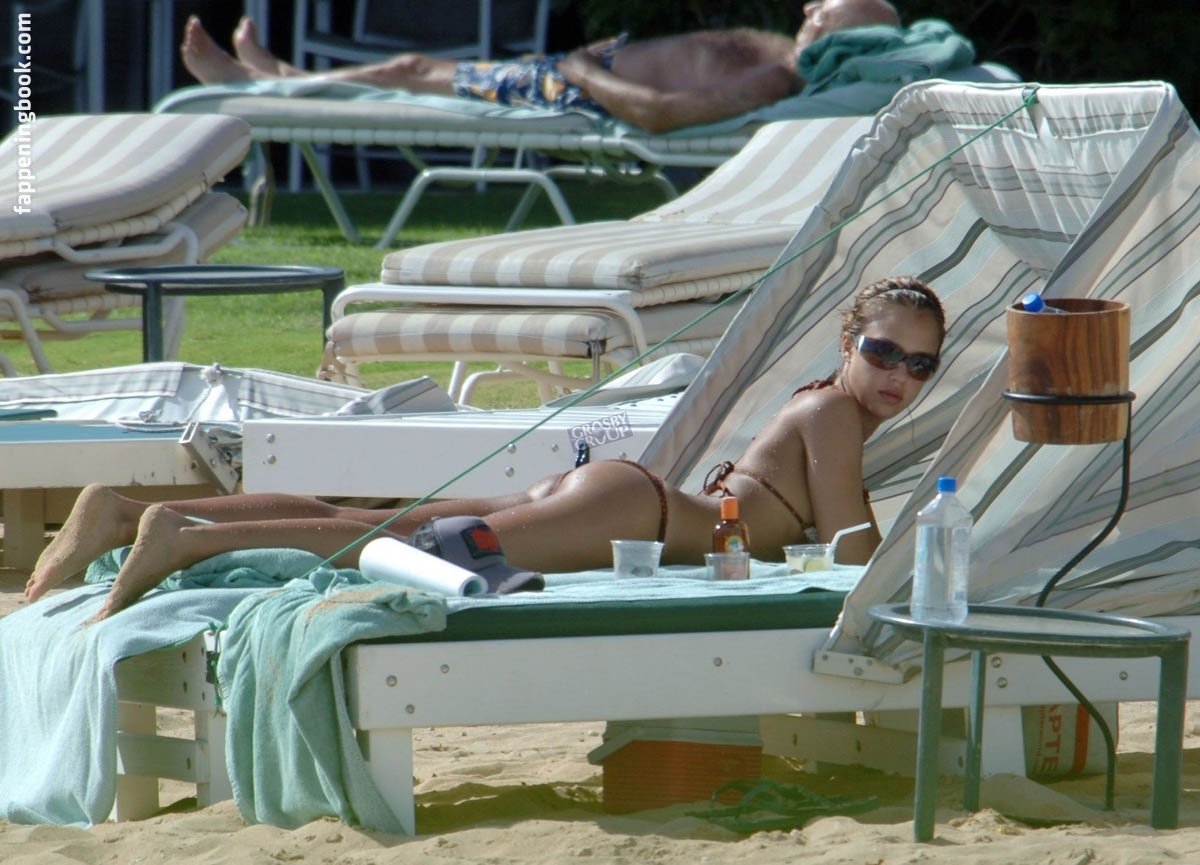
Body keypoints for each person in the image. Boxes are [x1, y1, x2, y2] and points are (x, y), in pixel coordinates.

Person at [25, 276, 944, 619]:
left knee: (384, 522)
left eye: (921, 364)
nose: (898, 376)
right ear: (846, 343)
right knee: (398, 546)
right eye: (883, 351)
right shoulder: (835, 417)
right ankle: (182, 539)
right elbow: (853, 551)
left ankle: (132, 513)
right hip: (633, 515)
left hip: (625, 501)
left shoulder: (824, 406)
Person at [179, 0, 901, 133]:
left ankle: (260, 84)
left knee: (408, 68)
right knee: (412, 68)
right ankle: (278, 79)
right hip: (574, 73)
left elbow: (658, 114)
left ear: (846, 35)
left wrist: (584, 72)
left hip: (576, 90)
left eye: (825, 11)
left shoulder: (781, 77)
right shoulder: (786, 58)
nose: (810, 7)